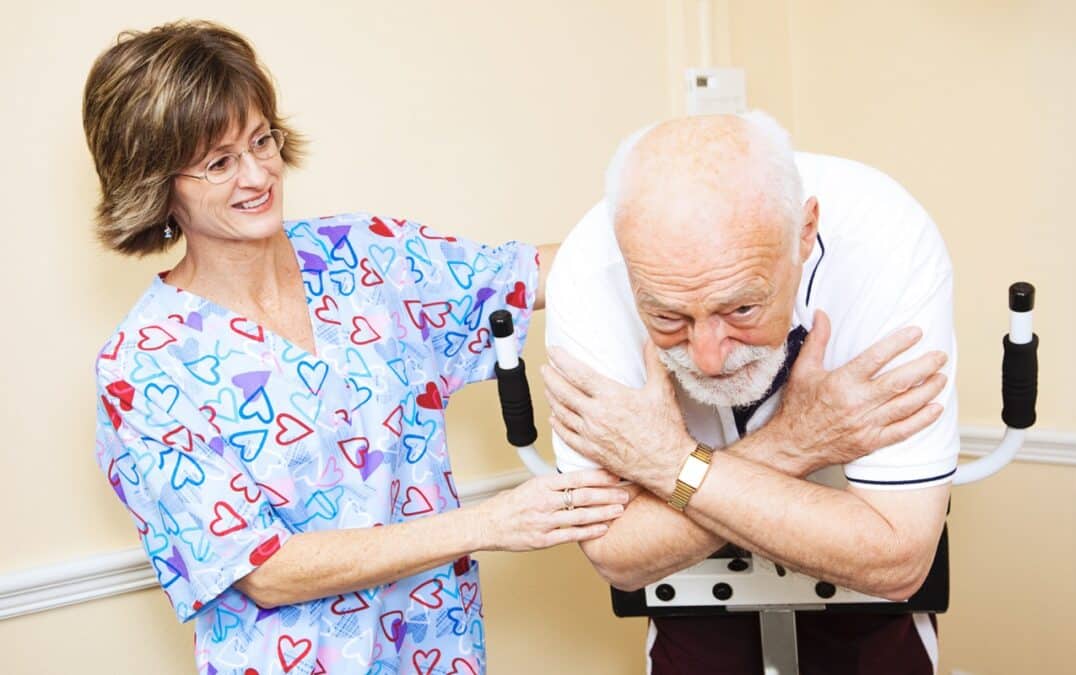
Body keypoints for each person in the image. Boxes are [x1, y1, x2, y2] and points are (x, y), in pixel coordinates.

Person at [85, 20, 628, 675]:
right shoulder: (142, 368)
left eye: (263, 140)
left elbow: (534, 273)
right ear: (157, 183)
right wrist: (489, 524)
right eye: (220, 162)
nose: (259, 175)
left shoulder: (365, 258)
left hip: (440, 654)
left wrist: (685, 227)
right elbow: (264, 568)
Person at [542, 112, 958, 674]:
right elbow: (618, 554)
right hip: (690, 601)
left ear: (805, 234)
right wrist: (795, 442)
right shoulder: (588, 272)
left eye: (741, 308)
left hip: (869, 614)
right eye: (667, 316)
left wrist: (666, 464)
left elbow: (897, 556)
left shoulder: (886, 239)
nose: (708, 357)